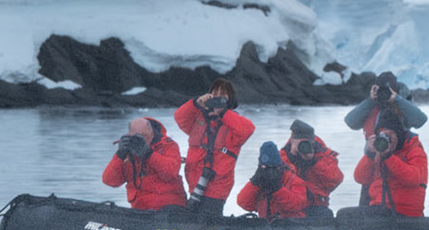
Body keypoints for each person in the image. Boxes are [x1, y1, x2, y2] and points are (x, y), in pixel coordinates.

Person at [174, 78, 255, 215]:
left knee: (208, 223)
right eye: (214, 94)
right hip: (194, 183)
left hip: (217, 188)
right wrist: (196, 103)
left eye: (222, 95)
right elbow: (179, 117)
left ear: (229, 99)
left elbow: (247, 129)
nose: (217, 98)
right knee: (192, 223)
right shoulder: (198, 119)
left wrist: (222, 113)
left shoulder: (233, 123)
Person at [351, 110, 428, 217]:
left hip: (404, 210)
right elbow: (360, 178)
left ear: (399, 135)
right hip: (379, 207)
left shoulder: (414, 150)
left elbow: (413, 179)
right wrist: (369, 155)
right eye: (382, 135)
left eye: (389, 135)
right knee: (345, 216)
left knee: (352, 216)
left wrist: (389, 157)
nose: (386, 139)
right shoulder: (378, 151)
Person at [101, 115, 188, 210]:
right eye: (138, 136)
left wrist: (148, 154)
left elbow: (170, 173)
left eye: (144, 136)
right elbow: (110, 181)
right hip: (140, 208)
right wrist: (120, 155)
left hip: (169, 205)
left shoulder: (168, 145)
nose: (142, 139)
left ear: (152, 132)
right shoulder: (128, 149)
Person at [282, 118, 343, 216]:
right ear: (292, 141)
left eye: (305, 143)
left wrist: (314, 162)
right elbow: (277, 181)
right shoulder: (283, 156)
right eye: (299, 143)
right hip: (290, 206)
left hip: (316, 207)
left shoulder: (324, 156)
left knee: (325, 214)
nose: (303, 147)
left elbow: (335, 180)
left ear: (312, 142)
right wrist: (291, 158)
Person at [342, 71, 427, 140]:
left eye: (389, 91)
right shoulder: (371, 106)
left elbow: (420, 120)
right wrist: (370, 101)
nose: (385, 94)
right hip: (374, 151)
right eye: (382, 90)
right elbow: (350, 122)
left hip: (399, 151)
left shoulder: (402, 107)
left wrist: (398, 99)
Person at [235, 141, 310, 219]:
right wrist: (254, 181)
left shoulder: (294, 181)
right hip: (266, 225)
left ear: (280, 167)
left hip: (291, 225)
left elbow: (298, 205)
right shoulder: (260, 182)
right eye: (265, 168)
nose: (269, 171)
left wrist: (278, 189)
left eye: (273, 168)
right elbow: (243, 203)